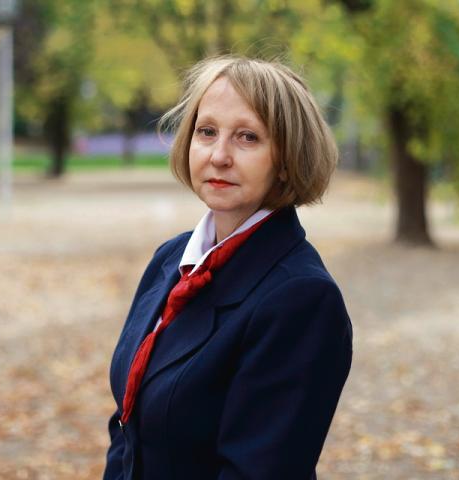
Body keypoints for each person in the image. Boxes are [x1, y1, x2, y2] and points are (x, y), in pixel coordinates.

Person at [104, 55, 353, 480]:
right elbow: (128, 428)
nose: (219, 155)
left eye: (247, 137)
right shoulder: (171, 258)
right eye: (207, 132)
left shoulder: (301, 299)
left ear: (287, 159)